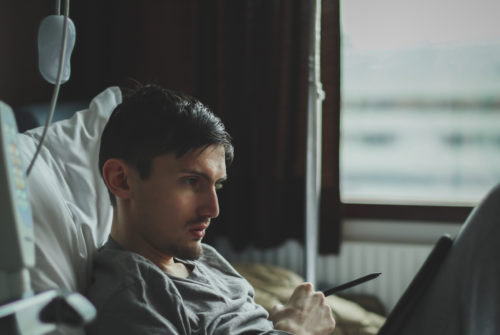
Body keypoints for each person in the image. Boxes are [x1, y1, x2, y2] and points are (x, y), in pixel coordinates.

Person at [86, 84, 336, 335]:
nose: (213, 209)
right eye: (191, 181)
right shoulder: (134, 301)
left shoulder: (205, 257)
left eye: (217, 185)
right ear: (121, 179)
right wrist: (298, 330)